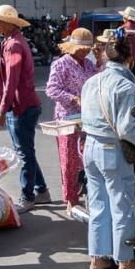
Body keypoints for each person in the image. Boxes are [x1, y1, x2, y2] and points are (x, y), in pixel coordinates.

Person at [80, 29, 135, 269]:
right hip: (111, 151)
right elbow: (127, 129)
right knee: (121, 206)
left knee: (98, 205)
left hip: (90, 148)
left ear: (104, 57)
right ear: (130, 60)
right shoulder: (124, 85)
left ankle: (98, 259)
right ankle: (125, 262)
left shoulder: (91, 82)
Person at [0, 4, 50, 214]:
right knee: (26, 152)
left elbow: (11, 82)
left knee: (24, 154)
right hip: (24, 104)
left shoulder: (13, 45)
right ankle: (41, 191)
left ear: (7, 23)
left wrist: (2, 110)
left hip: (21, 106)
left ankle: (27, 196)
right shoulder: (12, 41)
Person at [45, 28, 99, 215]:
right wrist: (74, 98)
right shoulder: (60, 64)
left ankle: (88, 195)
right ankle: (71, 199)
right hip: (67, 119)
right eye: (82, 48)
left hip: (87, 119)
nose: (85, 51)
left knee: (87, 159)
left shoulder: (89, 64)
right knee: (69, 161)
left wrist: (100, 60)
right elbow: (52, 90)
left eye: (87, 49)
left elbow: (98, 80)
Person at [118, 6, 135, 87]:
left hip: (126, 61)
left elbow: (116, 45)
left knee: (125, 85)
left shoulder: (122, 29)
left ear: (126, 18)